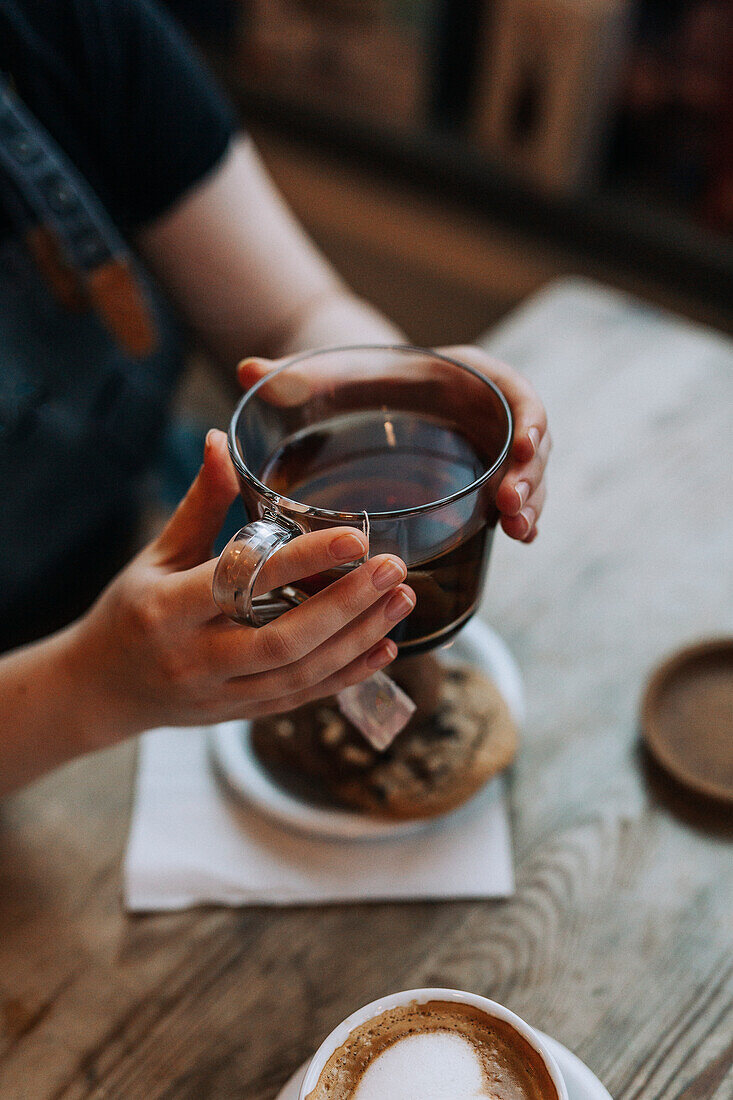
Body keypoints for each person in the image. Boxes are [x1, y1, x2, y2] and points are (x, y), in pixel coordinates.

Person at [0, 0, 550, 796]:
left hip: (142, 557)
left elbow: (288, 319)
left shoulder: (67, 24)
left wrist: (417, 380)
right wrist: (90, 686)